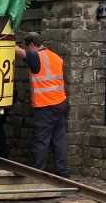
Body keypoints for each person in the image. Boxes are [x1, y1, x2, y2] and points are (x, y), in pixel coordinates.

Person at [21, 32, 71, 178]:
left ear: (31, 45)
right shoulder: (55, 57)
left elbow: (19, 52)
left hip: (45, 106)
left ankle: (37, 173)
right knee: (59, 139)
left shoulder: (35, 56)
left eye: (28, 47)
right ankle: (63, 172)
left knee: (41, 140)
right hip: (60, 103)